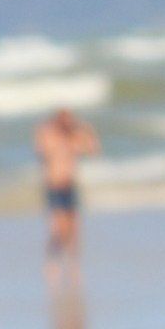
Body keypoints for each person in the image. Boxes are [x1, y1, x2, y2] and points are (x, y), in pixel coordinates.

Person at [35, 107, 101, 261]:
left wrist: (88, 131)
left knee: (74, 229)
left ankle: (73, 264)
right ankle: (52, 261)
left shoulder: (74, 139)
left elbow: (94, 151)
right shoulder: (49, 137)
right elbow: (40, 149)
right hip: (54, 185)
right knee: (58, 228)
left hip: (70, 185)